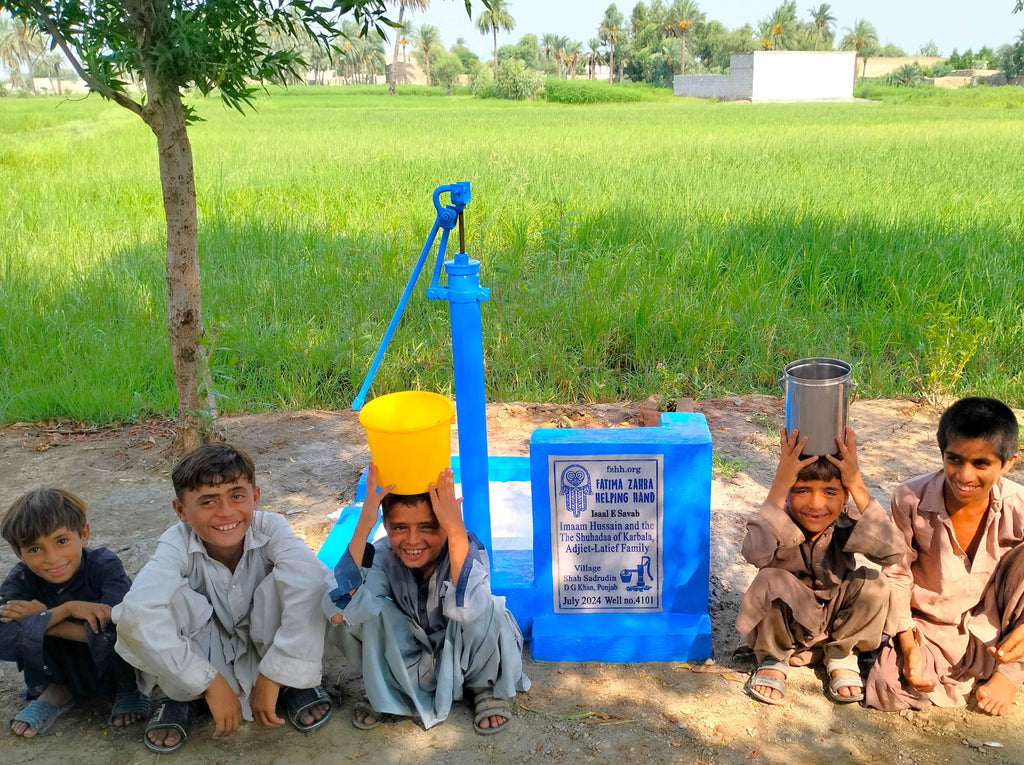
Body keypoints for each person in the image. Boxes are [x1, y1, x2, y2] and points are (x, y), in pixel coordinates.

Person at [112, 444, 333, 754]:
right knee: (144, 607)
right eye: (207, 501)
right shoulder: (176, 542)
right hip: (205, 654)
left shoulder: (273, 528)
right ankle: (179, 695)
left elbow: (313, 582)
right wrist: (207, 682)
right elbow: (139, 613)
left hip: (264, 648)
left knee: (308, 580)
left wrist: (274, 672)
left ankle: (288, 682)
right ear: (181, 511)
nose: (226, 512)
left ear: (255, 498)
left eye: (237, 496)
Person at [324, 463, 530, 734]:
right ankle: (392, 690)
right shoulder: (383, 555)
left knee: (492, 609)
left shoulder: (465, 547)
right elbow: (341, 613)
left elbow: (471, 612)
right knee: (360, 607)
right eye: (399, 527)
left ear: (445, 524)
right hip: (415, 657)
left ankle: (485, 688)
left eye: (428, 527)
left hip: (465, 656)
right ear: (385, 524)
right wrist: (364, 524)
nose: (412, 540)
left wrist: (455, 530)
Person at [865, 397, 1024, 715]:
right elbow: (896, 574)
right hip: (930, 626)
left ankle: (1012, 670)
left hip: (998, 622)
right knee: (885, 687)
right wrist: (908, 645)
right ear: (942, 454)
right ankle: (969, 666)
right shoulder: (911, 498)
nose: (965, 475)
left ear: (1008, 463)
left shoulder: (1018, 505)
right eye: (954, 459)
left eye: (981, 464)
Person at [737, 427, 905, 705]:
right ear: (788, 492)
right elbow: (753, 553)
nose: (816, 504)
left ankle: (842, 654)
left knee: (875, 583)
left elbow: (894, 553)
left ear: (845, 496)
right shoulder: (778, 520)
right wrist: (779, 485)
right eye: (802, 490)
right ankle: (772, 657)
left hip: (835, 622)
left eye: (830, 492)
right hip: (788, 624)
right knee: (770, 579)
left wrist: (858, 484)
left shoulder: (847, 520)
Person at [1, 488, 148, 738]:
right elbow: (4, 636)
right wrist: (67, 610)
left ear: (84, 534)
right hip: (58, 668)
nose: (52, 558)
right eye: (35, 549)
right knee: (20, 632)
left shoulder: (104, 566)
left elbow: (124, 629)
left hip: (112, 668)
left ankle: (128, 688)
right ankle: (57, 691)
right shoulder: (21, 579)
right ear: (19, 552)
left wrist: (46, 617)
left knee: (125, 628)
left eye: (61, 541)